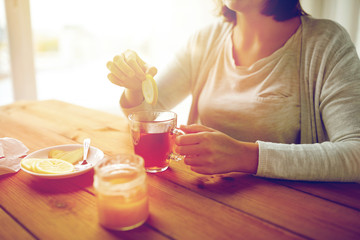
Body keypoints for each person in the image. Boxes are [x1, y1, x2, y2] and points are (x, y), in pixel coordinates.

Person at [106, 0, 360, 182]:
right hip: (207, 196)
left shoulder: (327, 43)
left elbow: (355, 154)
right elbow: (150, 113)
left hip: (290, 213)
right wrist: (133, 89)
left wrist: (246, 156)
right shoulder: (205, 39)